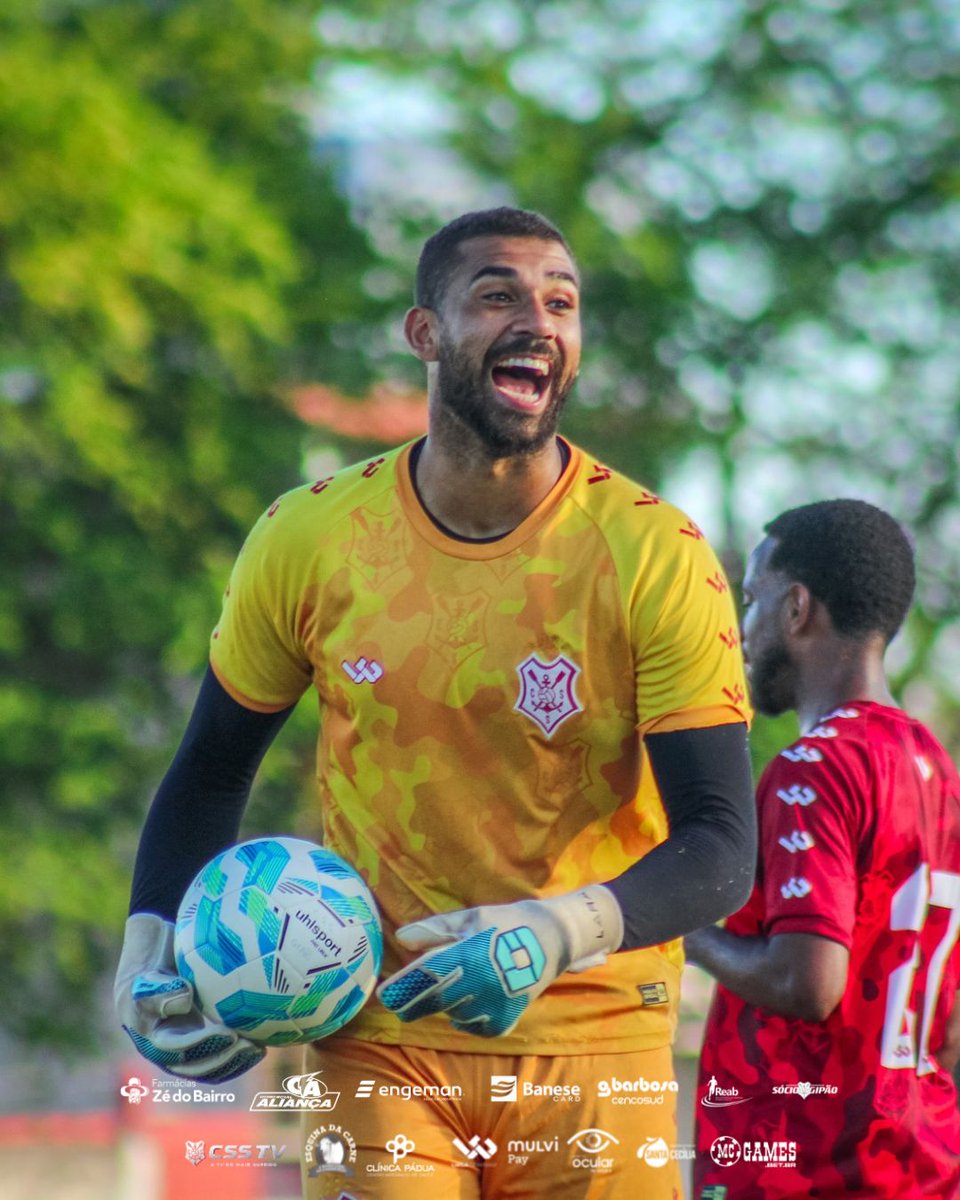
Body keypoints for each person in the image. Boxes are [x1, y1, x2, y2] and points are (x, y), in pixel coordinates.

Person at [114, 206, 757, 1199]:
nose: (538, 321)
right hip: (377, 1044)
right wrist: (147, 949)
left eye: (561, 303)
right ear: (424, 332)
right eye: (499, 296)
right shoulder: (309, 537)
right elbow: (210, 771)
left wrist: (552, 934)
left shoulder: (654, 552)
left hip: (597, 1046)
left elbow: (721, 846)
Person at [685, 500, 960, 1200]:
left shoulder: (815, 768)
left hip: (808, 1172)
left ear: (797, 608)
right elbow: (949, 1024)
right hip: (920, 1167)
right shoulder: (939, 773)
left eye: (753, 600)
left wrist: (686, 933)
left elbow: (805, 983)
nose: (742, 629)